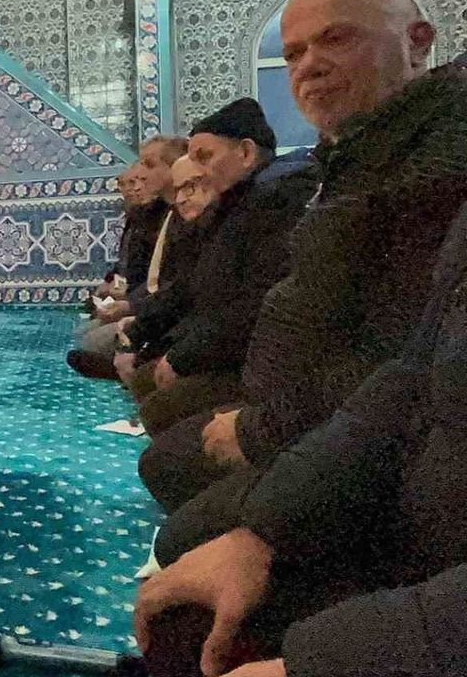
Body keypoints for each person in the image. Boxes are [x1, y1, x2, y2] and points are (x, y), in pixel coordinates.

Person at [136, 0, 467, 512]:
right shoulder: (351, 158)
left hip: (362, 442)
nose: (308, 66)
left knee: (176, 481)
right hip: (298, 409)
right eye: (292, 54)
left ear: (417, 42)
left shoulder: (437, 161)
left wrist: (260, 428)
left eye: (335, 39)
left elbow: (402, 353)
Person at [135, 198, 467, 677]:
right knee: (188, 612)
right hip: (415, 510)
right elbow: (406, 377)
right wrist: (263, 533)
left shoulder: (416, 180)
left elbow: (363, 357)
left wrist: (314, 660)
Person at [121, 100, 316, 487]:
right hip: (222, 348)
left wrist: (180, 355)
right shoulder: (237, 206)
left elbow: (251, 306)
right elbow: (194, 289)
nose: (196, 173)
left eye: (204, 158)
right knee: (148, 387)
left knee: (163, 445)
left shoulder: (277, 202)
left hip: (257, 370)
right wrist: (141, 333)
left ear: (245, 153)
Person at [68, 136, 188, 379]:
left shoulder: (180, 216)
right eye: (126, 183)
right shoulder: (151, 216)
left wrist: (130, 305)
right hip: (149, 305)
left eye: (148, 166)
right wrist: (114, 285)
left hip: (165, 315)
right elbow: (131, 267)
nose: (138, 180)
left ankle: (135, 363)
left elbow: (171, 286)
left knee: (92, 341)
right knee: (85, 335)